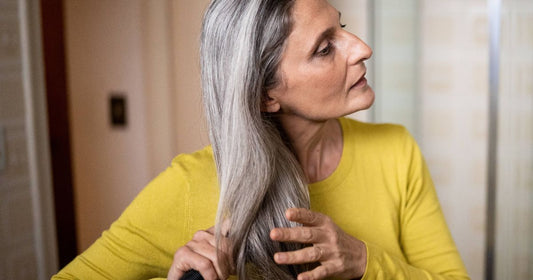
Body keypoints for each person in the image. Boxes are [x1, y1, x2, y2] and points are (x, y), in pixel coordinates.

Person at [53, 0, 470, 279]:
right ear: (265, 94)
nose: (361, 47)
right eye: (325, 48)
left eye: (341, 28)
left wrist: (363, 259)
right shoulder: (187, 185)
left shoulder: (396, 151)